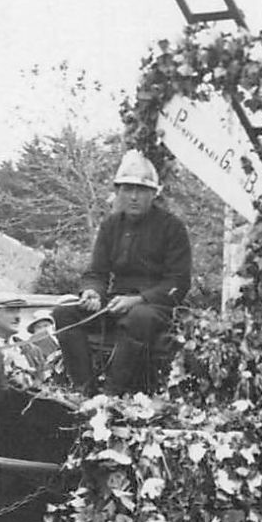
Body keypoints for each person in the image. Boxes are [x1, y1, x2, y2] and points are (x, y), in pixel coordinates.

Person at [52, 150, 192, 396]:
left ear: (153, 194)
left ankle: (111, 395)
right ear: (118, 192)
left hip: (156, 306)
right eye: (127, 189)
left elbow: (178, 282)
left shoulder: (172, 228)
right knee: (64, 313)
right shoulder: (110, 226)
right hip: (114, 301)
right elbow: (96, 272)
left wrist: (138, 299)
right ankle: (83, 390)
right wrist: (92, 293)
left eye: (141, 190)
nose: (134, 197)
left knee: (138, 317)